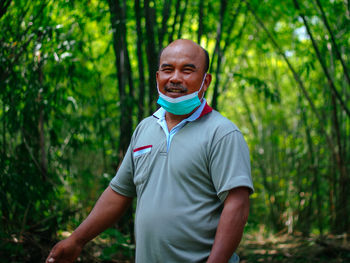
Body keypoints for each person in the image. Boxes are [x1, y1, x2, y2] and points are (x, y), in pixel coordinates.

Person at [46, 39, 254, 263]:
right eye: (167, 70)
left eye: (187, 70)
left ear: (206, 81)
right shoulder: (145, 128)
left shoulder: (221, 133)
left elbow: (237, 205)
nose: (175, 78)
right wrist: (77, 239)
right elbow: (119, 192)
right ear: (158, 78)